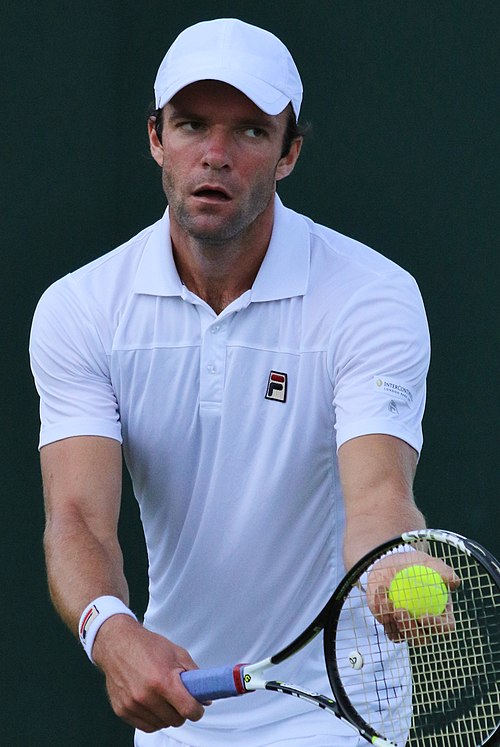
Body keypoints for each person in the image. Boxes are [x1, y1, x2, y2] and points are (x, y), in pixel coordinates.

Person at [29, 17, 441, 747]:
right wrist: (112, 631)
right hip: (183, 717)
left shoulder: (372, 296)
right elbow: (78, 519)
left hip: (346, 720)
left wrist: (390, 569)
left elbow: (378, 496)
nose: (214, 155)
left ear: (289, 153)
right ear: (157, 138)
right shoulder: (82, 308)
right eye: (191, 125)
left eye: (250, 131)